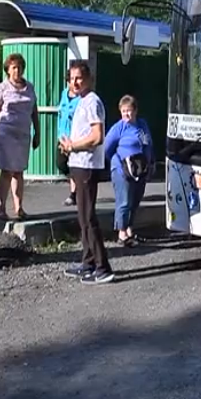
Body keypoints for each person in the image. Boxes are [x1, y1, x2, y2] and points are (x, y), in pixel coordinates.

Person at [59, 60, 114, 285]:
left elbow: (97, 136)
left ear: (89, 78)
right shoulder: (80, 101)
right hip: (78, 163)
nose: (75, 82)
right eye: (71, 79)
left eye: (79, 78)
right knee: (82, 218)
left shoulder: (92, 102)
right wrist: (69, 145)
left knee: (89, 217)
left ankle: (103, 267)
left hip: (87, 165)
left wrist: (74, 145)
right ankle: (88, 262)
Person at [0, 53, 40, 221]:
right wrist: (4, 125)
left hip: (23, 134)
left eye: (19, 67)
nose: (17, 71)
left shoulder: (29, 87)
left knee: (19, 171)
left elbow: (34, 111)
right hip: (5, 135)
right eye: (13, 68)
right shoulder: (3, 88)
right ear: (8, 70)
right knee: (7, 170)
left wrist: (37, 131)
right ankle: (1, 207)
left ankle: (19, 207)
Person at [104, 95, 154, 247]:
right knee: (124, 201)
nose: (127, 114)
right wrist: (117, 161)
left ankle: (130, 230)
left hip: (141, 168)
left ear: (136, 111)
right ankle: (122, 233)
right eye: (124, 111)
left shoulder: (142, 125)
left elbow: (149, 144)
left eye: (129, 111)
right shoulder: (118, 128)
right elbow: (107, 147)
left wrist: (151, 162)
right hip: (122, 168)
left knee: (135, 200)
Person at [57, 70, 80, 206]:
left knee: (73, 166)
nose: (74, 83)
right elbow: (61, 114)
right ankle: (76, 185)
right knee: (61, 163)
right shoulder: (64, 94)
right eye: (71, 80)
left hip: (74, 138)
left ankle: (73, 194)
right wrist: (60, 136)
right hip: (62, 136)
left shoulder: (82, 98)